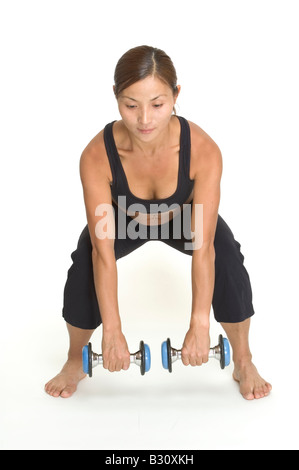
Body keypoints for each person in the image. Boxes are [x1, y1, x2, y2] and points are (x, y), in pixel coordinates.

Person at [45, 45, 272, 400]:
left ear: (176, 95)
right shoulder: (96, 155)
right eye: (131, 105)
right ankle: (75, 360)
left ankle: (243, 359)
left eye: (158, 104)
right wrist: (113, 331)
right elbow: (104, 254)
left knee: (227, 255)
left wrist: (200, 323)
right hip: (124, 219)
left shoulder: (202, 150)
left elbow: (204, 247)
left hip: (183, 217)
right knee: (85, 260)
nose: (145, 119)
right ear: (116, 98)